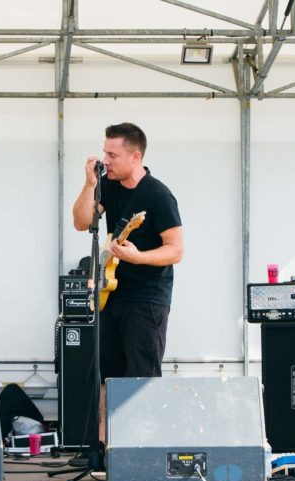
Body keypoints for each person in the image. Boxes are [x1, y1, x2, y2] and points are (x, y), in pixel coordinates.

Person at [72, 122, 183, 442]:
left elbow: (176, 250)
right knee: (107, 376)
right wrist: (89, 183)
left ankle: (144, 446)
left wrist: (139, 257)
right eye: (105, 152)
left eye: (112, 154)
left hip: (147, 298)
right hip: (112, 295)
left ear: (135, 157)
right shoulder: (108, 184)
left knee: (141, 376)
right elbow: (81, 222)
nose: (105, 160)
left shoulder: (158, 196)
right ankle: (108, 447)